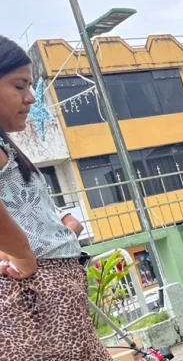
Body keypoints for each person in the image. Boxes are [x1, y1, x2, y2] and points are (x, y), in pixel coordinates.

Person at [0, 35, 112, 361]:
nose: (30, 98)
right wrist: (22, 255)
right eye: (19, 86)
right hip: (33, 293)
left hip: (51, 289)